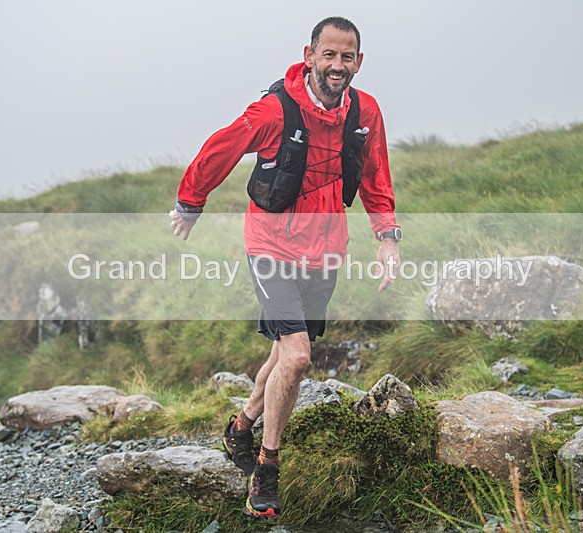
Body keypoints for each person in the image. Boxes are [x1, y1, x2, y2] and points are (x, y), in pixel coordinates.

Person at [169, 16, 401, 519]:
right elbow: (221, 146)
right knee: (297, 358)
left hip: (326, 248)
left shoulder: (366, 112)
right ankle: (267, 468)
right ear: (309, 55)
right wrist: (191, 201)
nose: (337, 66)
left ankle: (241, 425)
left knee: (284, 352)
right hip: (271, 245)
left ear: (358, 62)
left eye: (347, 57)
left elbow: (376, 175)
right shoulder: (275, 110)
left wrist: (387, 239)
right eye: (329, 55)